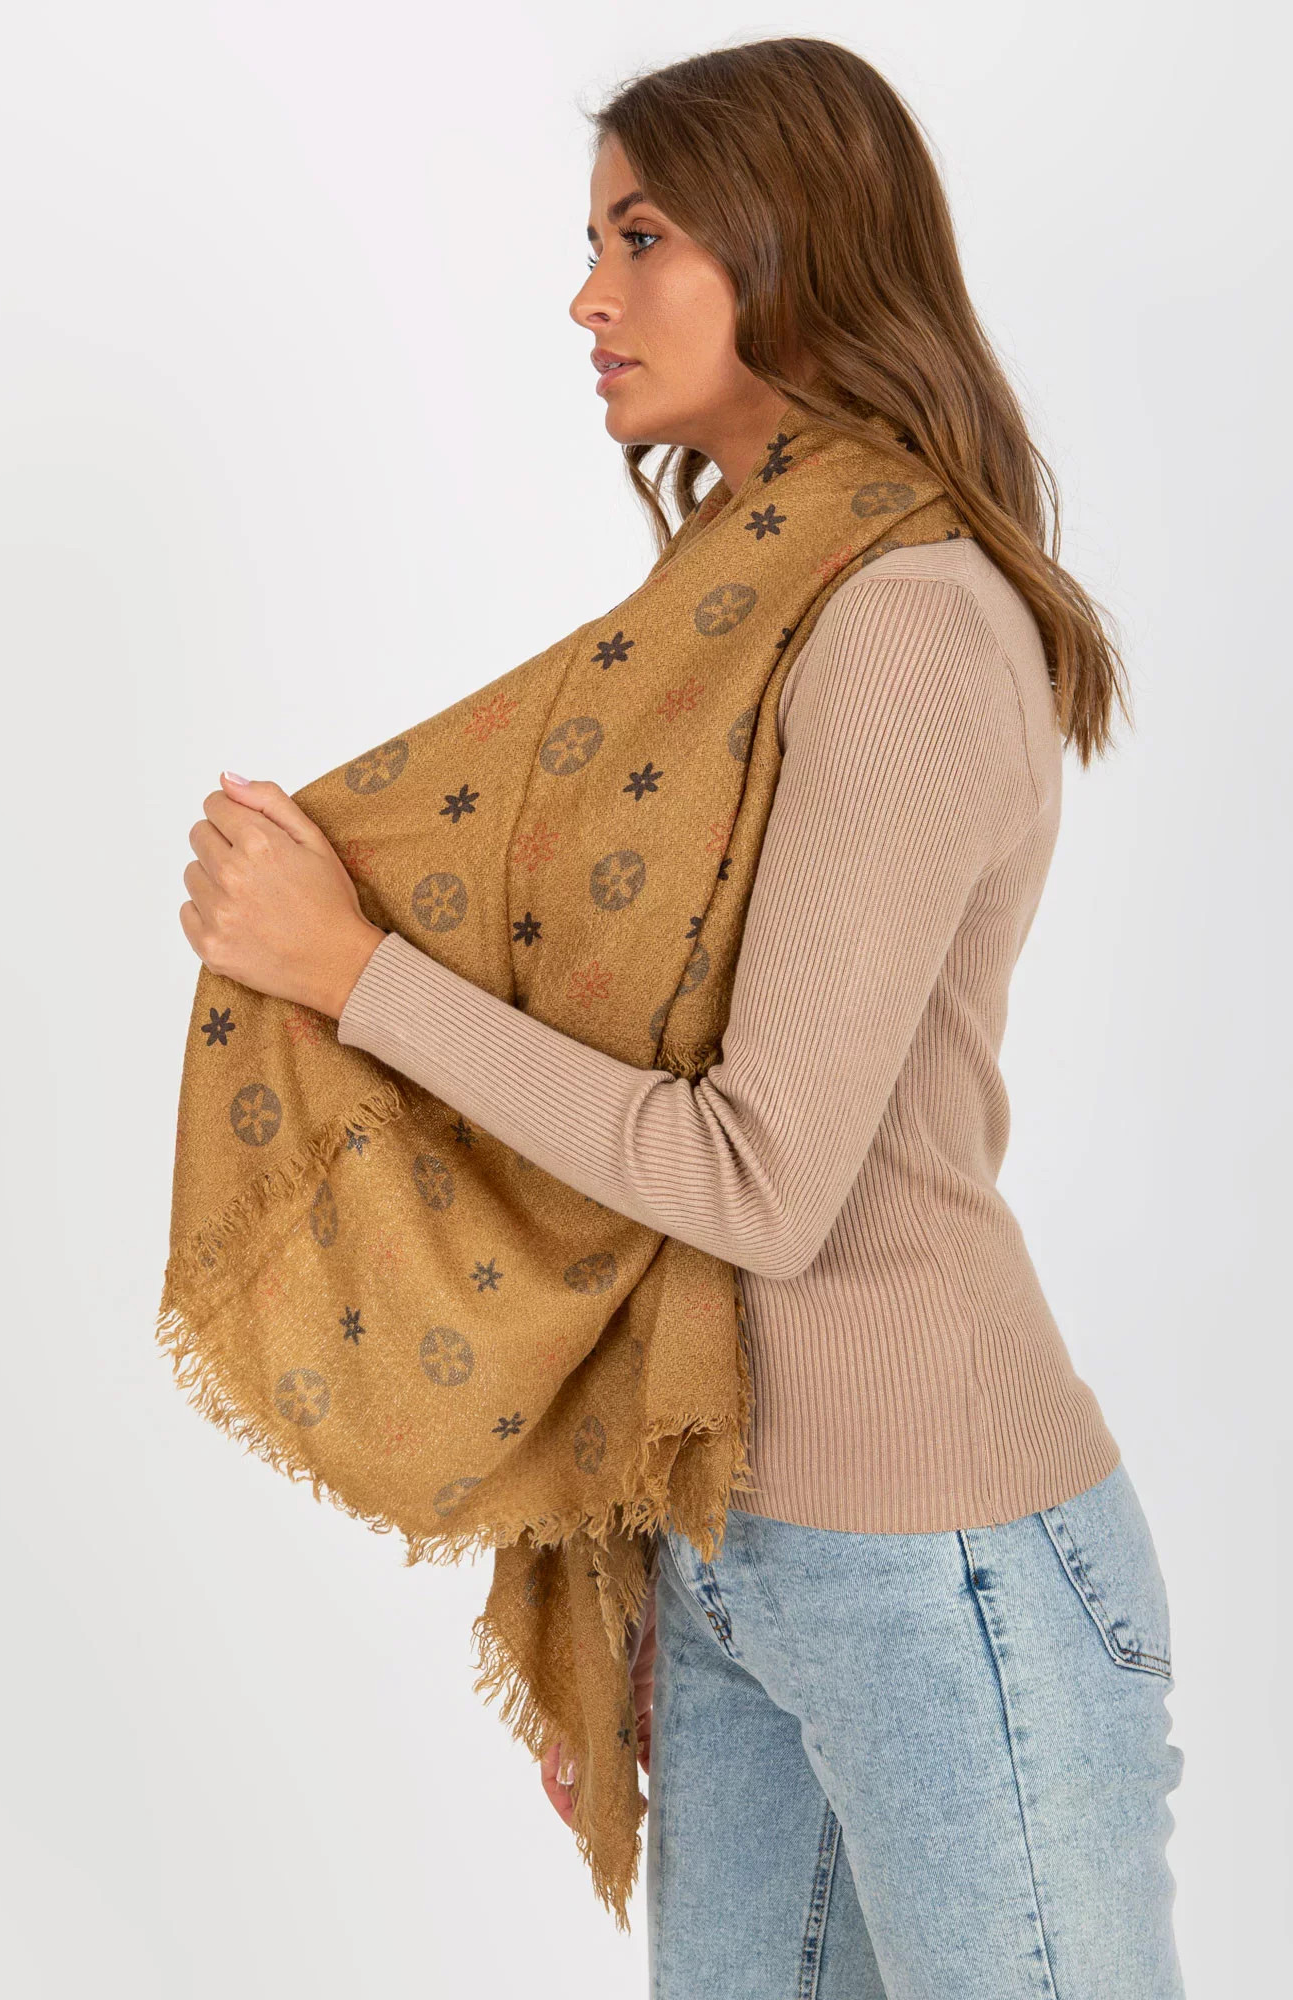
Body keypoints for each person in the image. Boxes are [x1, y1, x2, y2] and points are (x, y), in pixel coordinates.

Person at [179, 35, 1186, 2000]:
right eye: (593, 244)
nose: (589, 296)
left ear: (793, 244)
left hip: (941, 1567)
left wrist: (350, 971)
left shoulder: (902, 621)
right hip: (727, 1539)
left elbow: (757, 1176)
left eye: (640, 239)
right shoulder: (741, 608)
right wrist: (636, 1563)